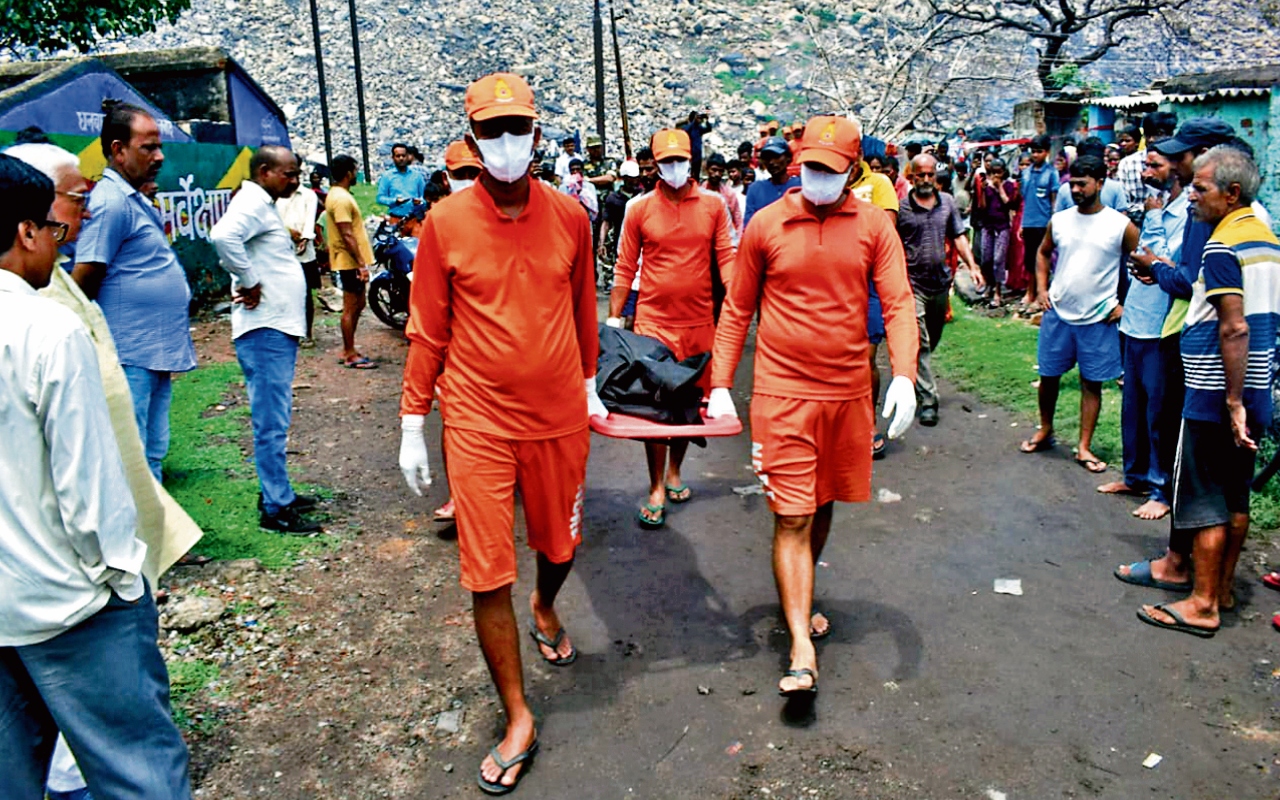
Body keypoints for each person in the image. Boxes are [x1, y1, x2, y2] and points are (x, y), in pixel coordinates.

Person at [397, 73, 605, 794]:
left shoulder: (571, 216)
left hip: (558, 418)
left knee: (560, 546)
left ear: (537, 134)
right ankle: (518, 716)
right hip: (478, 420)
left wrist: (589, 385)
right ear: (473, 139)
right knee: (487, 572)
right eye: (493, 131)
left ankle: (546, 604)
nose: (508, 142)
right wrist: (413, 421)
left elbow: (582, 309)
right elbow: (427, 327)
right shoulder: (445, 223)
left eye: (518, 128)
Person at [0, 153, 193, 800]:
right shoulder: (45, 328)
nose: (63, 243)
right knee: (138, 770)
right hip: (69, 605)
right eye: (55, 229)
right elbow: (89, 490)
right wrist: (122, 579)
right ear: (27, 232)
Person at [707, 116, 919, 697]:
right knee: (793, 514)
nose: (817, 177)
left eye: (830, 169)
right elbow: (737, 307)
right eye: (810, 167)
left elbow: (898, 302)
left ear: (853, 170)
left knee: (823, 504)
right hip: (782, 393)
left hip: (847, 394)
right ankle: (801, 646)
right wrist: (720, 382)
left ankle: (798, 596)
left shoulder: (874, 225)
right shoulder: (767, 224)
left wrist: (903, 374)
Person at [1134, 146, 1280, 637]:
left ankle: (1201, 603)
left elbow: (1233, 327)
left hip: (1216, 392)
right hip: (1256, 387)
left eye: (1200, 188)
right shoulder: (1266, 240)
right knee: (1236, 495)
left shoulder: (1222, 247)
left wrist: (1232, 401)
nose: (1191, 195)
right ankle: (1222, 589)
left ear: (1231, 193)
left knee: (1203, 499)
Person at [1113, 117, 1237, 593]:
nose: (1183, 172)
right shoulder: (1237, 221)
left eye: (1183, 157)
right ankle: (1214, 583)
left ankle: (1182, 568)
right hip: (1184, 338)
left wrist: (1157, 269)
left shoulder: (1214, 223)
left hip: (1200, 350)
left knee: (1192, 463)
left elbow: (1194, 284)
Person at [608, 127, 736, 528]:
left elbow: (727, 257)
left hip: (698, 321)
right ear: (656, 165)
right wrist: (614, 319)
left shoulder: (714, 206)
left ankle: (676, 471)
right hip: (653, 323)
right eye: (667, 161)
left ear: (691, 162)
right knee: (655, 406)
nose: (675, 167)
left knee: (687, 402)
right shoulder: (639, 209)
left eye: (681, 160)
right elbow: (625, 265)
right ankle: (655, 487)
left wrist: (738, 304)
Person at [72, 100, 197, 483]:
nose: (159, 156)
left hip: (152, 349)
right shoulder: (110, 204)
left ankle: (154, 520)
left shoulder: (132, 198)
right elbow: (85, 278)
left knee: (152, 449)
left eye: (159, 147)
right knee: (132, 452)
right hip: (129, 352)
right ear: (118, 149)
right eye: (148, 148)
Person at [210, 147, 322, 534]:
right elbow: (223, 236)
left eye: (297, 174)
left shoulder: (262, 203)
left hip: (274, 326)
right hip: (265, 328)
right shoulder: (252, 202)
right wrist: (250, 280)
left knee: (276, 416)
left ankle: (277, 492)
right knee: (271, 421)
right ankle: (276, 508)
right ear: (264, 172)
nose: (295, 181)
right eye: (288, 174)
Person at [1020, 156, 1140, 471]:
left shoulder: (1119, 225)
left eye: (1082, 184)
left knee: (1092, 383)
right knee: (1048, 376)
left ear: (1100, 183)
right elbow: (1043, 252)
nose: (1075, 190)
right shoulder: (1060, 220)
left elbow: (1143, 264)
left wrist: (1125, 305)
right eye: (1072, 184)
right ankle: (1046, 429)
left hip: (1098, 317)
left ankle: (1084, 446)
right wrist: (1042, 290)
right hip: (1059, 312)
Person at [1096, 140, 1186, 521]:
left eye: (1154, 166)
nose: (1146, 173)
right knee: (1132, 407)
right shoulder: (1155, 206)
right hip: (1135, 319)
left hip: (1161, 326)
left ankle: (1161, 489)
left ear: (1177, 167)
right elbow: (1143, 261)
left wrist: (1154, 224)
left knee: (1159, 411)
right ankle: (1134, 477)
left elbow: (1166, 264)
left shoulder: (1185, 213)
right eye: (1146, 166)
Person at [897, 154, 982, 425]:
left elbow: (958, 236)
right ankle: (929, 401)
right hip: (912, 284)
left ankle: (913, 376)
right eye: (920, 175)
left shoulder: (947, 202)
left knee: (932, 339)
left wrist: (973, 266)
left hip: (940, 283)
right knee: (920, 341)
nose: (925, 180)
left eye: (930, 175)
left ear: (936, 176)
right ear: (911, 177)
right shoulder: (902, 208)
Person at [848, 152, 901, 459]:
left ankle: (868, 424)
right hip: (834, 281)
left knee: (866, 357)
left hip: (868, 282)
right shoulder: (827, 185)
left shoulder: (879, 183)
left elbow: (886, 232)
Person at [325, 154, 377, 369]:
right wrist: (360, 264)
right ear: (348, 173)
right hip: (349, 262)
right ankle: (349, 353)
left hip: (351, 261)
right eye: (355, 170)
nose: (356, 174)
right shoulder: (340, 199)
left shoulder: (339, 195)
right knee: (351, 306)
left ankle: (350, 348)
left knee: (359, 303)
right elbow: (347, 234)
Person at [275, 171, 321, 344]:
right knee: (282, 292)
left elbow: (310, 221)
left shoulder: (308, 195)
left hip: (304, 253)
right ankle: (287, 329)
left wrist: (304, 238)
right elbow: (273, 220)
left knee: (305, 293)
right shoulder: (276, 195)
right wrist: (288, 231)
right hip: (281, 251)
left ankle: (306, 332)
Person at [973, 157, 1021, 306]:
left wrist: (999, 187)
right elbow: (982, 206)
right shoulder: (987, 186)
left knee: (999, 260)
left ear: (1003, 172)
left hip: (1002, 227)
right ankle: (989, 284)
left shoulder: (1008, 185)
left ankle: (998, 292)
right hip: (988, 226)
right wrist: (982, 190)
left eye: (998, 172)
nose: (995, 175)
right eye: (993, 172)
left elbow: (1008, 203)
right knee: (986, 258)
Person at [1019, 134, 1058, 307]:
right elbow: (1024, 199)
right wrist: (1022, 223)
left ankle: (1040, 294)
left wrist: (1053, 222)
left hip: (1044, 223)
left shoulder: (1051, 173)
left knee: (1042, 259)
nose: (1035, 155)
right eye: (1033, 151)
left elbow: (1054, 200)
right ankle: (1030, 292)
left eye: (1039, 151)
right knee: (1029, 260)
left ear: (1047, 152)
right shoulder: (1026, 173)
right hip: (1029, 222)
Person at [1117, 113, 1177, 224]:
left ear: (1171, 135)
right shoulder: (1128, 164)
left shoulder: (1178, 162)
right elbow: (1123, 204)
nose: (1151, 139)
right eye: (1147, 135)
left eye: (1159, 134)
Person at [744, 136, 800, 228]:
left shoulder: (800, 186)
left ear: (788, 158)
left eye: (776, 156)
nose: (771, 162)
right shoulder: (755, 189)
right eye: (767, 158)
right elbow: (749, 226)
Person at [598, 159, 641, 270]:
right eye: (631, 178)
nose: (634, 181)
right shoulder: (613, 199)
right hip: (620, 242)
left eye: (636, 178)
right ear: (624, 178)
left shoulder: (641, 195)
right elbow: (606, 222)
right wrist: (601, 243)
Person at [375, 143, 427, 223]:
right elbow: (380, 198)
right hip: (395, 218)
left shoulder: (417, 176)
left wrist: (420, 201)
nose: (401, 158)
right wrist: (395, 201)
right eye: (398, 156)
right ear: (393, 158)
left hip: (415, 219)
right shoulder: (387, 176)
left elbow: (425, 197)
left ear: (408, 157)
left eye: (403, 155)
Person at [703, 152, 743, 243]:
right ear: (707, 169)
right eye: (714, 170)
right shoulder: (699, 192)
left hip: (725, 240)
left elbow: (738, 220)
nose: (717, 174)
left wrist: (738, 242)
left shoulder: (729, 194)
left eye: (720, 171)